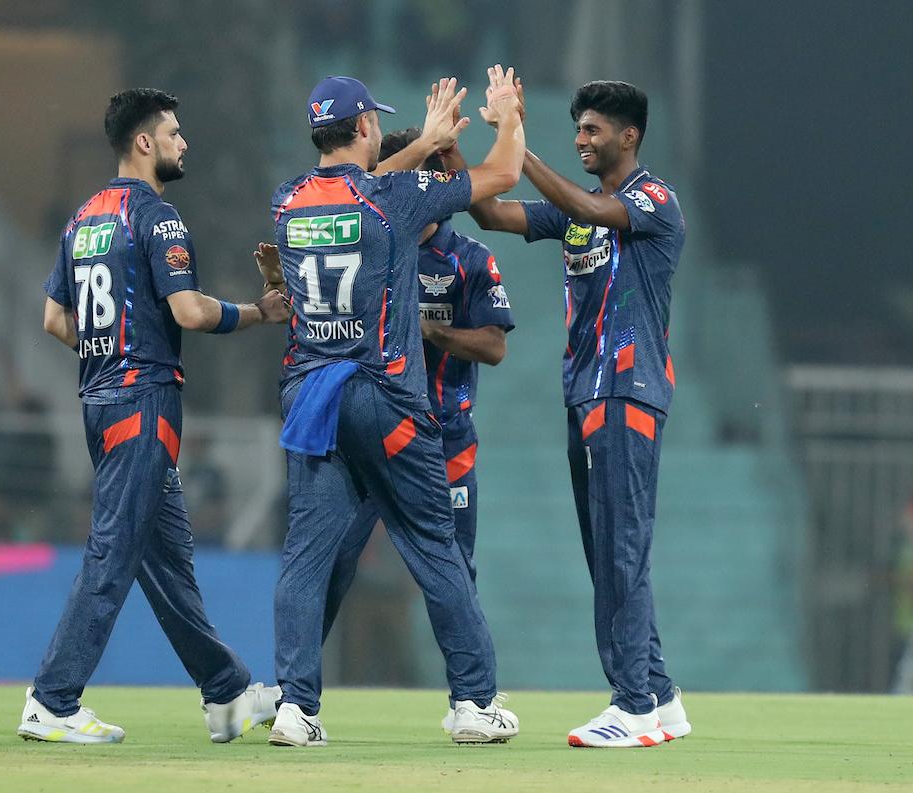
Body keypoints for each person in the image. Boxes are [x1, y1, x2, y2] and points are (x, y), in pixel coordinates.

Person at [19, 88, 290, 746]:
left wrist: (107, 355)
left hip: (101, 402)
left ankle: (225, 694)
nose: (182, 142)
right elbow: (190, 313)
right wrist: (261, 313)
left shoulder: (83, 218)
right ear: (145, 142)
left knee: (165, 558)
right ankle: (52, 700)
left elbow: (55, 319)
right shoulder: (158, 217)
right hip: (144, 404)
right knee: (113, 551)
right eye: (173, 132)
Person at [265, 67, 525, 747]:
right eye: (374, 121)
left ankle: (295, 708)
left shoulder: (287, 200)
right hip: (384, 397)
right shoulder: (394, 200)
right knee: (435, 548)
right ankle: (473, 704)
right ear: (363, 128)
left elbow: (356, 187)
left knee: (306, 557)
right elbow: (499, 177)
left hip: (309, 397)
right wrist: (507, 119)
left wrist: (418, 145)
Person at [454, 79, 692, 747]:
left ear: (629, 137)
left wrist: (517, 143)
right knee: (605, 550)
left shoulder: (653, 199)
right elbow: (493, 216)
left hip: (628, 389)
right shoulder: (578, 213)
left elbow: (586, 202)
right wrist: (449, 155)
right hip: (585, 392)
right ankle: (662, 695)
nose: (582, 139)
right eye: (577, 130)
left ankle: (633, 705)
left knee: (620, 550)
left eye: (591, 130)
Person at [317, 126, 516, 733]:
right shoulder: (373, 242)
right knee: (330, 562)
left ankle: (471, 698)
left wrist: (428, 332)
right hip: (371, 430)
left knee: (454, 567)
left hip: (444, 435)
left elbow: (493, 346)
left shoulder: (470, 260)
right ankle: (295, 690)